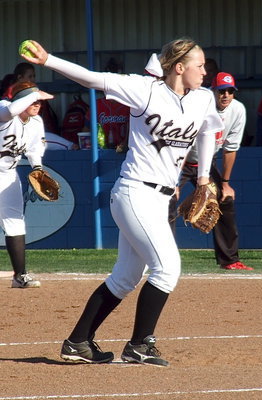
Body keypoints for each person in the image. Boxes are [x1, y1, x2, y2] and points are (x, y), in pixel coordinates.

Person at [22, 37, 223, 366]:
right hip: (134, 192)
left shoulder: (202, 99)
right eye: (200, 66)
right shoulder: (144, 90)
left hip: (160, 201)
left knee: (126, 277)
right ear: (179, 67)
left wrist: (202, 179)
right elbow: (92, 78)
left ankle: (77, 343)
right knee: (167, 269)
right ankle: (140, 344)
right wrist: (48, 61)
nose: (205, 72)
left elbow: (206, 132)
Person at [170, 72, 253, 271]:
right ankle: (166, 258)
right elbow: (183, 144)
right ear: (212, 91)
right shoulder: (199, 104)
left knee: (225, 200)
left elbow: (230, 149)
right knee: (168, 201)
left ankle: (230, 260)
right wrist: (174, 182)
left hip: (206, 163)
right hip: (179, 160)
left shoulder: (237, 110)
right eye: (221, 91)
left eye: (230, 91)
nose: (225, 95)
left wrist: (225, 184)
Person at [0, 80, 54, 288]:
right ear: (21, 99)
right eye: (34, 99)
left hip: (8, 174)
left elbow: (33, 150)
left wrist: (37, 168)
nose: (38, 103)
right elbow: (12, 110)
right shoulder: (4, 108)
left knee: (15, 221)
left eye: (40, 101)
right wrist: (34, 94)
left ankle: (19, 276)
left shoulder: (36, 122)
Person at [2, 62, 60, 135]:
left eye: (34, 76)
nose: (33, 79)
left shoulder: (35, 90)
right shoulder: (11, 92)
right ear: (20, 77)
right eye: (30, 76)